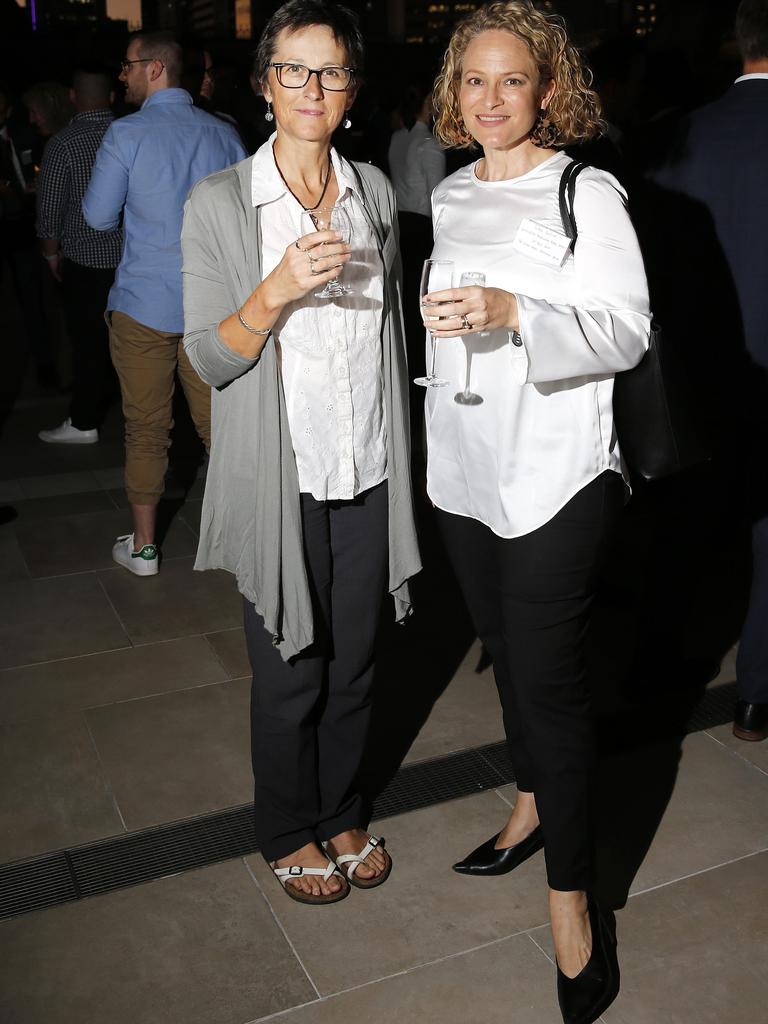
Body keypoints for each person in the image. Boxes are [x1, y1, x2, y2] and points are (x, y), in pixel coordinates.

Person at [424, 3, 650, 1021]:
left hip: (555, 475)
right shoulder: (449, 191)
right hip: (468, 469)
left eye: (511, 79)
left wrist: (517, 312)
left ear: (548, 89)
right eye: (474, 79)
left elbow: (626, 331)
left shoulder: (584, 190)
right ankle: (528, 802)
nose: (490, 98)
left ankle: (573, 908)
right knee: (507, 656)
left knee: (550, 683)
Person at [181, 0, 421, 905]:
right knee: (292, 667)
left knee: (356, 665)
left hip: (367, 466)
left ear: (352, 90)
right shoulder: (221, 203)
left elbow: (388, 328)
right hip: (284, 479)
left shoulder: (375, 190)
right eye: (293, 69)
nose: (312, 88)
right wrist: (275, 289)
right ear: (263, 83)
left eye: (331, 71)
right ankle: (287, 826)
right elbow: (206, 357)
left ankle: (342, 809)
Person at [83, 32, 246, 576]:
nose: (121, 76)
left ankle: (145, 548)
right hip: (212, 308)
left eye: (127, 66)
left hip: (145, 303)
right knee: (220, 425)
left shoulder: (125, 135)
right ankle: (247, 538)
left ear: (155, 69)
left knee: (146, 427)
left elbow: (97, 217)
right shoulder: (225, 135)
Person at [654, 0, 768, 744]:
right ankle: (757, 692)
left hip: (697, 372)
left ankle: (660, 676)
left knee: (690, 528)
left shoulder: (680, 132)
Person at [36, 67, 122, 445]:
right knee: (134, 342)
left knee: (87, 343)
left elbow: (50, 208)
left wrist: (51, 254)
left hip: (85, 262)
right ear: (113, 97)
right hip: (132, 259)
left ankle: (84, 421)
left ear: (73, 96)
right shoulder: (130, 134)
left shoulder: (63, 143)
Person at [388, 82, 447, 438]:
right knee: (423, 306)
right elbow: (438, 200)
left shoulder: (397, 140)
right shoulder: (430, 145)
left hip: (399, 228)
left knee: (407, 309)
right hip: (423, 230)